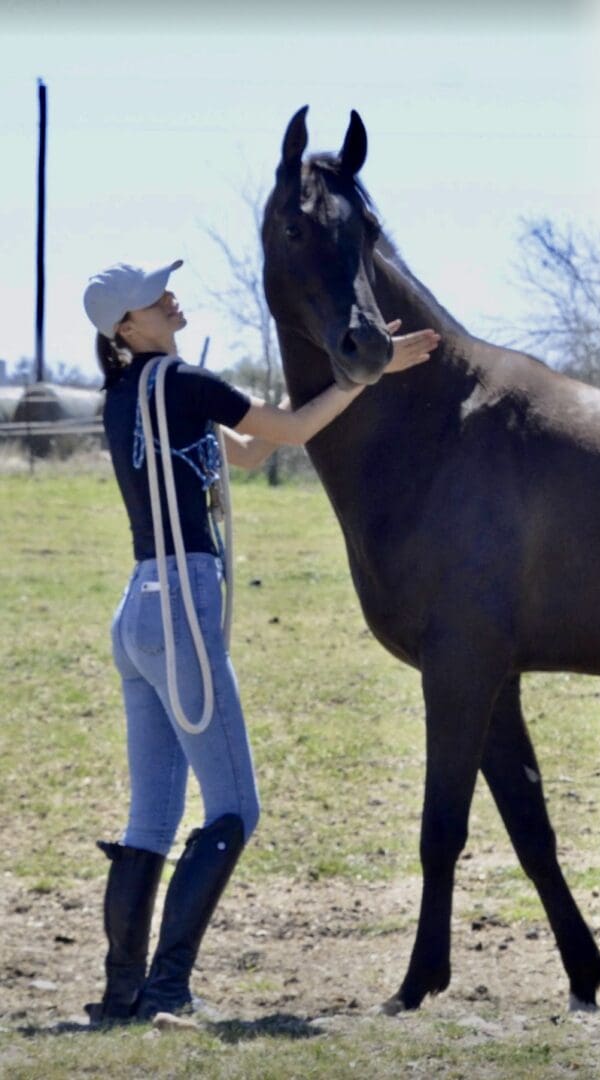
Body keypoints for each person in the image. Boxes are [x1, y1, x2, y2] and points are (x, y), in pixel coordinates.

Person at [82, 258, 440, 1024]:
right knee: (234, 807)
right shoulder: (179, 383)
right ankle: (169, 989)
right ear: (127, 327)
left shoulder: (130, 394)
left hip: (141, 608)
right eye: (152, 296)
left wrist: (330, 372)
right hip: (180, 604)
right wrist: (362, 377)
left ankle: (123, 994)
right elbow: (291, 431)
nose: (167, 296)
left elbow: (247, 449)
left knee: (151, 815)